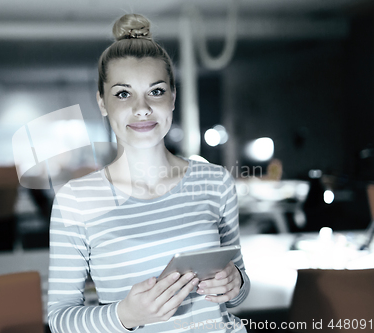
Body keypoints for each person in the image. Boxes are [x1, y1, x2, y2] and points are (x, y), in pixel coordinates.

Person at [48, 13, 250, 333]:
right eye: (123, 94)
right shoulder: (76, 201)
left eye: (155, 91)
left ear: (173, 97)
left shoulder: (215, 182)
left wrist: (236, 283)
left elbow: (238, 290)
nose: (142, 108)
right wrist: (125, 315)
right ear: (102, 103)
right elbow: (59, 319)